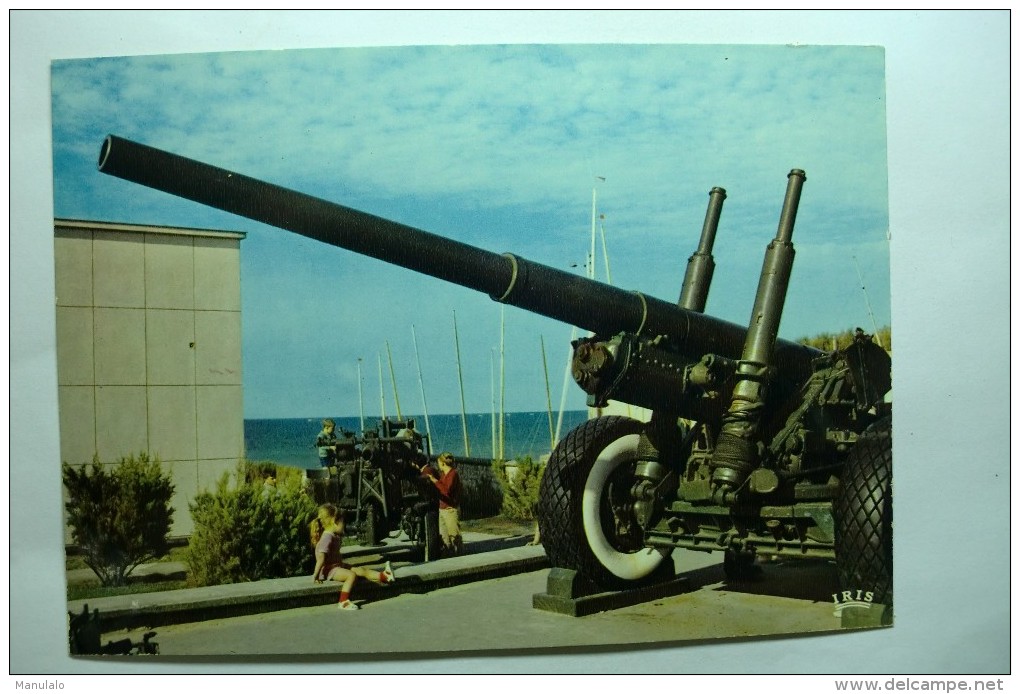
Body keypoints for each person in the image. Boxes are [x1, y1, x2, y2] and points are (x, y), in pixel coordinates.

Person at [309, 503, 396, 610]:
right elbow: (321, 558)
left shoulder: (333, 535)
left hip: (338, 566)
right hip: (330, 570)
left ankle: (384, 576)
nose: (344, 525)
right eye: (342, 522)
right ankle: (343, 601)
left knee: (361, 570)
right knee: (351, 575)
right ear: (334, 521)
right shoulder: (327, 537)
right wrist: (316, 575)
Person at [420, 452, 463, 556]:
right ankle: (448, 553)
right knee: (444, 535)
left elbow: (446, 490)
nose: (438, 465)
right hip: (442, 508)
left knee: (454, 535)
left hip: (450, 509)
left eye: (439, 463)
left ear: (443, 463)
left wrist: (434, 480)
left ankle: (458, 556)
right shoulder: (443, 474)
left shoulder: (453, 474)